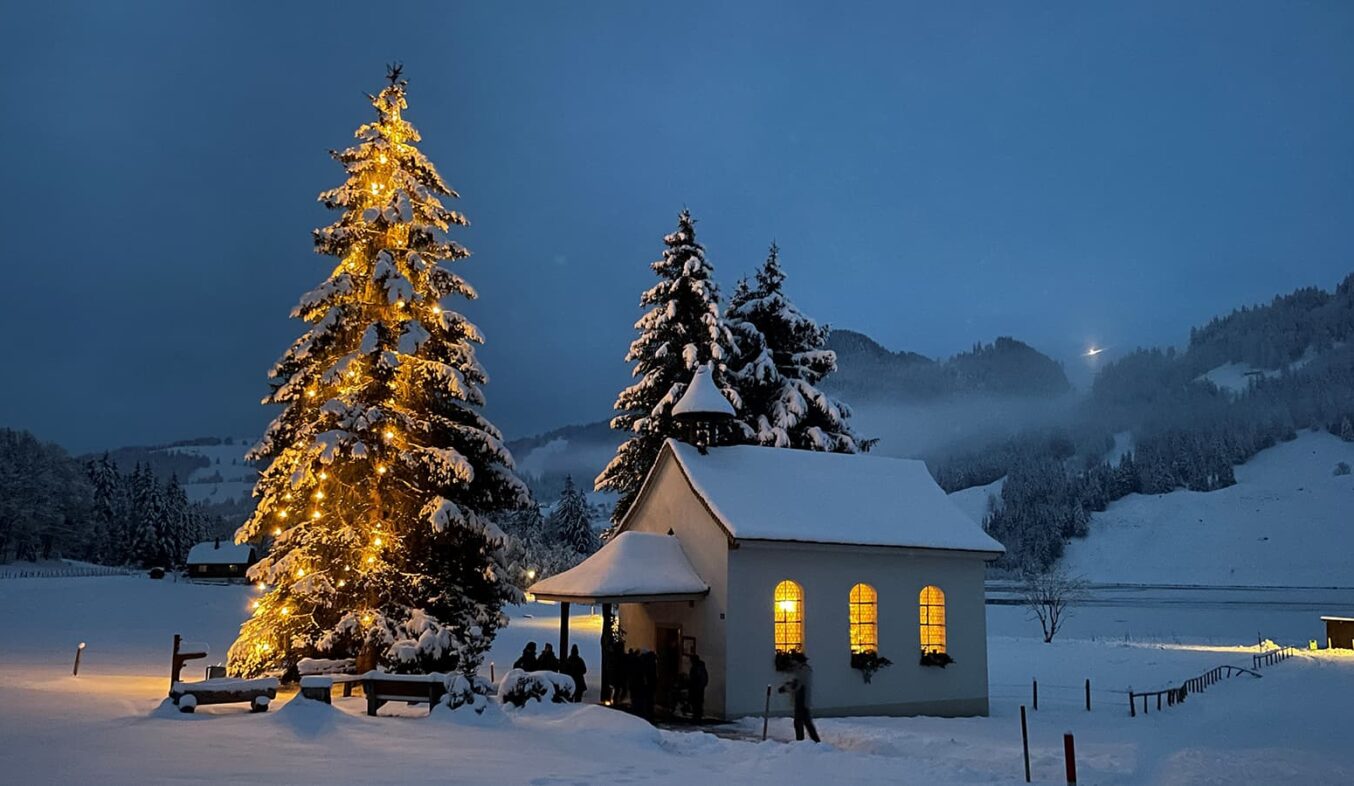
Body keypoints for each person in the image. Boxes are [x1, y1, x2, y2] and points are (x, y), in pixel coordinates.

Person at [778, 654, 820, 743]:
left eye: (793, 660)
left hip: (802, 699)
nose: (792, 662)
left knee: (799, 722)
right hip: (801, 698)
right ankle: (813, 741)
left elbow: (797, 684)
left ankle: (802, 741)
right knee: (806, 722)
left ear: (798, 661)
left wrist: (785, 688)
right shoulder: (801, 669)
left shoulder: (803, 670)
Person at [687, 653, 709, 722]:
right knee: (698, 703)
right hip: (699, 688)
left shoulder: (696, 667)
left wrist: (694, 685)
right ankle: (697, 717)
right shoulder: (700, 667)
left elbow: (696, 678)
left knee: (696, 704)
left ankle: (697, 718)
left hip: (696, 688)